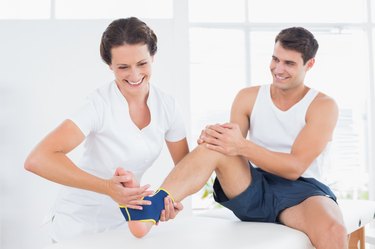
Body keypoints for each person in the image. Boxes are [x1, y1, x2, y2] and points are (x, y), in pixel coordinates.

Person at [121, 27, 348, 249]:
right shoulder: (248, 97)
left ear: (309, 64)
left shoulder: (322, 106)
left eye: (289, 63)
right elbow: (230, 147)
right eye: (275, 59)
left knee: (334, 230)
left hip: (302, 192)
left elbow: (294, 168)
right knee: (215, 145)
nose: (278, 69)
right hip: (253, 186)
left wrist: (240, 145)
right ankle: (151, 209)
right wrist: (216, 137)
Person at [24, 17, 189, 242]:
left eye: (142, 64)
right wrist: (106, 188)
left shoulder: (168, 106)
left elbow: (186, 169)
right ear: (109, 65)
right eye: (123, 67)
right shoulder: (98, 105)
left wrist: (169, 201)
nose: (134, 75)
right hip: (78, 224)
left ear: (153, 57)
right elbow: (37, 159)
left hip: (126, 224)